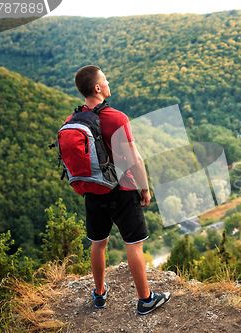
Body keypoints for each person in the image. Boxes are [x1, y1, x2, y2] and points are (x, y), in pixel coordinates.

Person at [69, 65, 171, 314]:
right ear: (97, 88)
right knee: (134, 244)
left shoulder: (73, 120)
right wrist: (145, 188)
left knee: (98, 242)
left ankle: (100, 294)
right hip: (122, 190)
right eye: (105, 79)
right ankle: (145, 300)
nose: (107, 81)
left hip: (93, 190)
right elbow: (133, 158)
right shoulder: (116, 118)